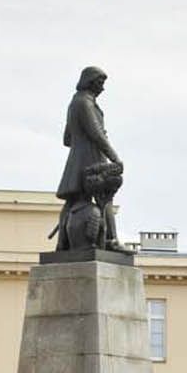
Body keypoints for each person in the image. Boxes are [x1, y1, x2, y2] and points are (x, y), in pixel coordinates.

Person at [53, 67, 124, 251]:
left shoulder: (75, 103)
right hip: (92, 158)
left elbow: (67, 139)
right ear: (90, 82)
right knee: (105, 198)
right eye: (100, 83)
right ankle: (111, 240)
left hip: (77, 159)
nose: (102, 88)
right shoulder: (85, 103)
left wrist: (79, 139)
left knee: (72, 202)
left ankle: (62, 244)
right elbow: (97, 134)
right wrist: (115, 158)